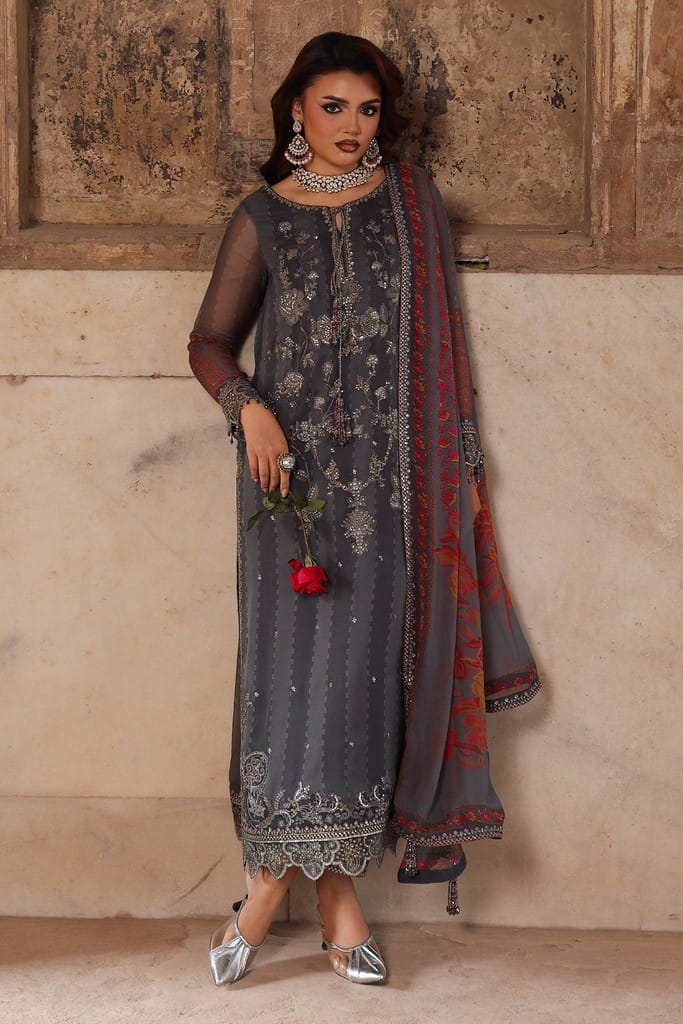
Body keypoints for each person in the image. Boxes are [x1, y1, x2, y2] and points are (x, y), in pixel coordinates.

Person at [188, 31, 540, 987]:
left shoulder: (409, 204)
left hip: (396, 495)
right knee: (284, 683)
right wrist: (247, 407)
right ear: (296, 113)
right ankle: (301, 892)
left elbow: (446, 355)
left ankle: (290, 895)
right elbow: (210, 342)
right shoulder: (264, 217)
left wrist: (462, 471)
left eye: (368, 108)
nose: (352, 125)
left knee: (357, 691)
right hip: (289, 489)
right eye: (333, 106)